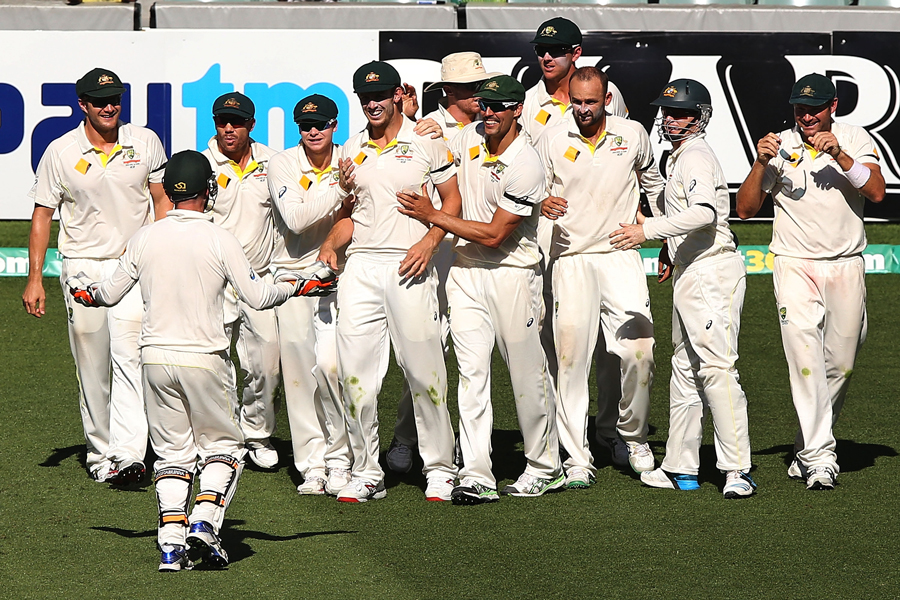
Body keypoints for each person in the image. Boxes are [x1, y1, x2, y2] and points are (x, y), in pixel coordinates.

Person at [66, 150, 331, 571]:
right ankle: (204, 523)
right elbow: (259, 297)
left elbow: (108, 294)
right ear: (208, 191)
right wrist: (302, 284)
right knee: (224, 448)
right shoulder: (219, 238)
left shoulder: (146, 237)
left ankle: (171, 547)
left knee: (172, 454)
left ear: (169, 191)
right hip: (204, 359)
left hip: (153, 360)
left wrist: (85, 292)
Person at [398, 75, 563, 504]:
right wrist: (417, 122)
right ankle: (476, 473)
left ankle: (545, 466)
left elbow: (493, 235)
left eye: (497, 107)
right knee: (471, 375)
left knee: (526, 374)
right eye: (483, 105)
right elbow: (437, 151)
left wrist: (433, 217)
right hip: (466, 273)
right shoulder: (468, 135)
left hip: (513, 274)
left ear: (515, 110)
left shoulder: (527, 164)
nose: (487, 114)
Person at [735, 73, 885, 491]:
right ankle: (821, 458)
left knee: (842, 364)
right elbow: (745, 210)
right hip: (794, 264)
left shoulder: (854, 138)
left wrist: (841, 156)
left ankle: (807, 446)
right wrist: (761, 162)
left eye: (815, 107)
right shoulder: (778, 145)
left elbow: (876, 193)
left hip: (845, 264)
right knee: (805, 359)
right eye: (800, 108)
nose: (806, 116)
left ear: (832, 107)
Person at [322, 60, 461, 502]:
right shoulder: (350, 148)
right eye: (365, 97)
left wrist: (431, 240)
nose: (373, 104)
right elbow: (350, 215)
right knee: (356, 378)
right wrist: (331, 242)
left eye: (380, 95)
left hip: (410, 264)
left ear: (398, 95)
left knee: (424, 372)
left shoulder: (425, 140)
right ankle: (367, 470)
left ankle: (440, 467)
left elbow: (453, 201)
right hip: (361, 269)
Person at [610, 79, 756, 499]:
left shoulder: (695, 157)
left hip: (712, 273)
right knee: (686, 370)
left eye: (682, 114)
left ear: (700, 118)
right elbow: (686, 217)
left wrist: (647, 231)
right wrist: (671, 249)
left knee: (716, 369)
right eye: (668, 112)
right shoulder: (676, 157)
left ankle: (737, 470)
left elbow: (705, 213)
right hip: (691, 270)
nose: (672, 120)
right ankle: (682, 465)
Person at [22, 67, 167, 484]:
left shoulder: (145, 142)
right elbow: (43, 215)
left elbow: (160, 201)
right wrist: (36, 279)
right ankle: (100, 453)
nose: (109, 106)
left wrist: (161, 258)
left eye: (115, 98)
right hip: (82, 269)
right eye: (99, 100)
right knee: (92, 363)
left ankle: (129, 454)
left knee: (130, 358)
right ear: (82, 105)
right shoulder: (61, 151)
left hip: (132, 269)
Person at [536, 67, 663, 487]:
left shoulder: (633, 134)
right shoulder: (551, 135)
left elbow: (653, 183)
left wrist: (661, 231)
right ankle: (576, 458)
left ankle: (633, 436)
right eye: (577, 102)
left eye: (592, 102)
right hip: (570, 260)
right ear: (568, 98)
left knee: (638, 351)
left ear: (606, 99)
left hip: (619, 255)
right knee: (571, 363)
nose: (584, 110)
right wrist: (542, 202)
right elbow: (530, 187)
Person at [386, 51, 499, 474]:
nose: (481, 95)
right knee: (425, 353)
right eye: (472, 88)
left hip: (484, 254)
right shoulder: (425, 129)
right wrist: (415, 122)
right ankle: (406, 436)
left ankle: (468, 451)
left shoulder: (492, 121)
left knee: (475, 362)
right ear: (450, 91)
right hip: (438, 256)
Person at [266, 94, 354, 496]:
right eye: (304, 125)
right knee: (300, 378)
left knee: (333, 369)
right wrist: (340, 187)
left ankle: (341, 459)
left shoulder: (350, 156)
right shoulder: (283, 163)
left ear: (335, 125)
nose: (312, 131)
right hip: (293, 279)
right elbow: (297, 220)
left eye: (320, 124)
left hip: (341, 278)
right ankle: (312, 466)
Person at [201, 92, 281, 470]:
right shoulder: (202, 164)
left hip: (260, 278)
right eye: (221, 122)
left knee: (266, 363)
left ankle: (257, 434)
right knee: (215, 362)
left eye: (236, 122)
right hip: (214, 283)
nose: (228, 129)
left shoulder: (274, 162)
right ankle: (224, 436)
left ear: (251, 125)